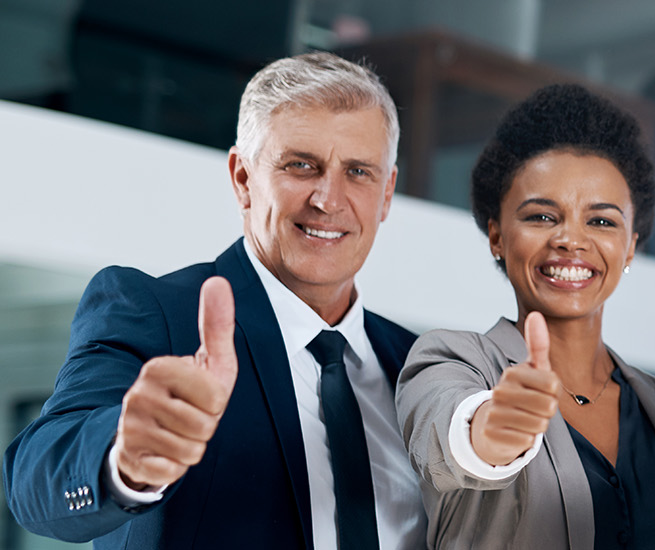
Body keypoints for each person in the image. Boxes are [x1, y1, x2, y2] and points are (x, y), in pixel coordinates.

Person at [4, 52, 425, 549]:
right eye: (301, 165)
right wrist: (125, 455)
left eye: (358, 172)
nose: (329, 199)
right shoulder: (156, 314)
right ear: (243, 179)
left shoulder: (419, 366)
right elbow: (36, 480)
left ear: (388, 193)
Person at [396, 84, 655, 549]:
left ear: (631, 247)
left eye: (601, 221)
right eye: (542, 216)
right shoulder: (453, 361)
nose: (570, 239)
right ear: (496, 236)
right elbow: (446, 433)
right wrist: (490, 430)